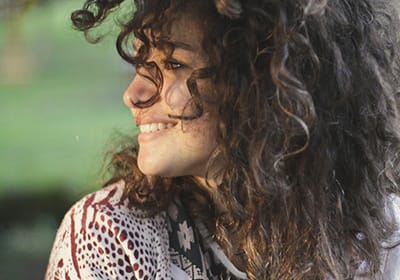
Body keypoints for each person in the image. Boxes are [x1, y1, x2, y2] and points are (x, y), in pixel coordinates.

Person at [45, 0, 400, 279]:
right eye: (141, 64)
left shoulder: (385, 238)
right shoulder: (109, 237)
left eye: (174, 66)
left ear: (265, 85)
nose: (133, 94)